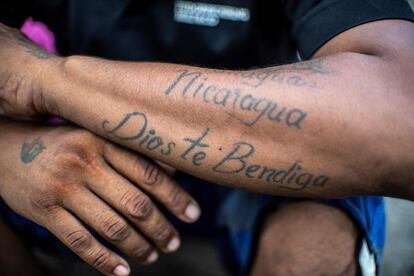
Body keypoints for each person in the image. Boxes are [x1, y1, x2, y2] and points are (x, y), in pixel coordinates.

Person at [1, 0, 414, 275]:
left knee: (313, 249)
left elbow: (400, 120)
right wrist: (9, 150)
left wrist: (44, 79)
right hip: (83, 144)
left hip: (270, 153)